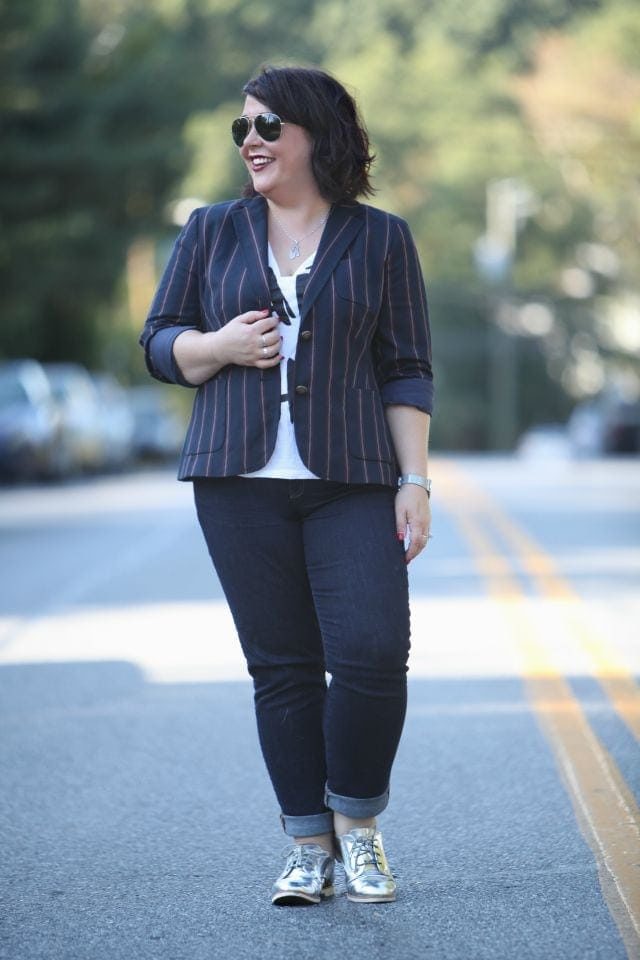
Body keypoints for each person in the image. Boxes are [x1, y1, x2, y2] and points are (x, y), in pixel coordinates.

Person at [140, 64, 434, 906]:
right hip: (237, 479)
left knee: (375, 653)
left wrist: (414, 479)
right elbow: (159, 342)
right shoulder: (211, 229)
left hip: (353, 479)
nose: (251, 143)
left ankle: (359, 822)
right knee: (283, 667)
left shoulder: (382, 239)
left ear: (316, 134)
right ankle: (308, 845)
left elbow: (407, 368)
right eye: (242, 130)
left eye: (267, 126)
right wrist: (217, 347)